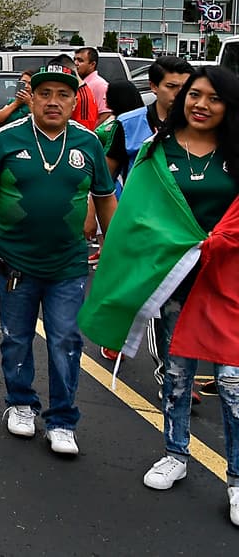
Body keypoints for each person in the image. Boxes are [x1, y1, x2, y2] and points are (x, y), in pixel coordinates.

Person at [79, 66, 239, 526]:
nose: (201, 105)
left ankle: (237, 479)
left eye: (214, 98)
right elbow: (138, 216)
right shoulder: (156, 150)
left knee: (231, 383)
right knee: (176, 373)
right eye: (195, 95)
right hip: (172, 280)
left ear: (229, 107)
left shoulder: (237, 153)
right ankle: (175, 454)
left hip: (227, 283)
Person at [0, 62, 117, 456]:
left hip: (69, 265)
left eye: (63, 94)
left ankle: (62, 420)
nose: (53, 102)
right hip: (15, 263)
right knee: (17, 338)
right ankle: (21, 403)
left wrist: (116, 250)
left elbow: (104, 198)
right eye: (45, 94)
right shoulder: (7, 138)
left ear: (74, 99)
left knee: (65, 340)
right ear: (33, 97)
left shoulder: (88, 142)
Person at [101, 56, 193, 369]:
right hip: (138, 224)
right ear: (153, 86)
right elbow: (108, 173)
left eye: (186, 87)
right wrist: (95, 215)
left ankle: (170, 368)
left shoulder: (201, 123)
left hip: (187, 229)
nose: (180, 94)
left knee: (169, 298)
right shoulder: (129, 124)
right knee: (137, 291)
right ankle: (124, 338)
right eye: (171, 86)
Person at [74, 47, 111, 122]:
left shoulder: (100, 85)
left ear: (92, 64)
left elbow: (105, 115)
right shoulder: (78, 83)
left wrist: (89, 133)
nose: (75, 63)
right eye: (74, 59)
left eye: (80, 60)